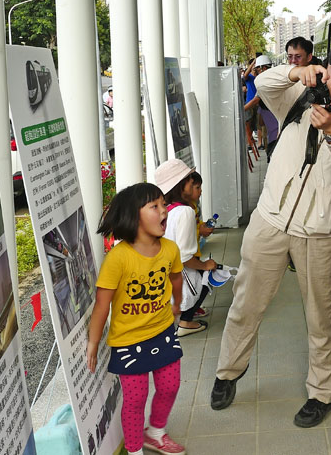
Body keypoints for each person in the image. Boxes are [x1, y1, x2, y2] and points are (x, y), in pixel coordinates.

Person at [211, 37, 331, 428]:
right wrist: (295, 72)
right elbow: (264, 84)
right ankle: (227, 374)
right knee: (245, 303)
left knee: (322, 317)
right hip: (270, 218)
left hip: (320, 232)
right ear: (326, 66)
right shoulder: (299, 97)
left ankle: (321, 393)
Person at [87, 183, 186, 455]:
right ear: (134, 215)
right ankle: (134, 450)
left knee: (170, 386)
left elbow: (175, 276)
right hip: (128, 341)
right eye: (154, 206)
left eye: (163, 205)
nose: (163, 211)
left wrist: (177, 302)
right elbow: (101, 305)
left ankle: (155, 433)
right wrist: (93, 342)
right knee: (135, 399)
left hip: (163, 331)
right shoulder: (118, 258)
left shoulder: (170, 249)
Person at [157, 159, 218, 336]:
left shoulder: (165, 208)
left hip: (165, 272)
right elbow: (184, 257)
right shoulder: (185, 212)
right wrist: (206, 266)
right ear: (181, 185)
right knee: (210, 273)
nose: (195, 187)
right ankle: (186, 322)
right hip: (179, 273)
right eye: (191, 182)